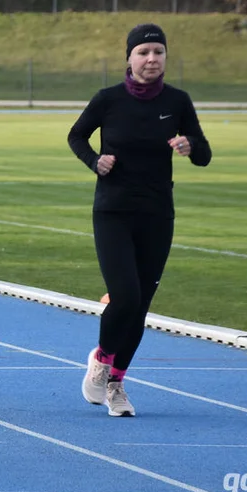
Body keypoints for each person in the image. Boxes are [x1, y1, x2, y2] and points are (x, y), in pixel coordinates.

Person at [67, 23, 211, 418]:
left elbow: (204, 154)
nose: (151, 59)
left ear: (166, 58)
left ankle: (116, 383)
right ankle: (101, 357)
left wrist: (190, 145)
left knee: (140, 306)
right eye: (144, 52)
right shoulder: (108, 100)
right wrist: (96, 161)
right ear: (129, 58)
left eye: (158, 52)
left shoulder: (178, 101)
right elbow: (76, 136)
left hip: (157, 214)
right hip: (113, 211)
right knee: (125, 297)